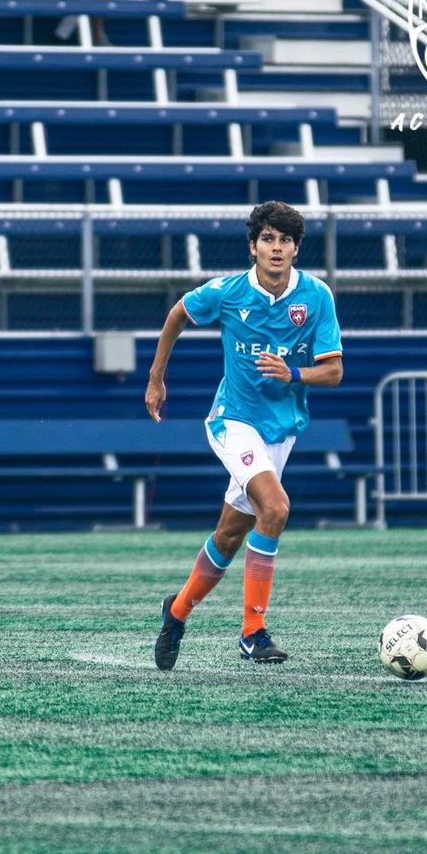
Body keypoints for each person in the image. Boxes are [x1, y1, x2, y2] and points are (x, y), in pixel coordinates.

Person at [146, 200, 344, 670]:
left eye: (285, 240)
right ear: (252, 246)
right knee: (274, 508)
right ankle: (252, 633)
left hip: (281, 430)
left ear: (296, 249)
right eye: (268, 239)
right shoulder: (228, 291)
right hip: (232, 421)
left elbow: (333, 372)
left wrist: (292, 373)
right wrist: (156, 378)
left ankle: (176, 612)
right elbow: (177, 314)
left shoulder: (316, 297)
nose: (276, 248)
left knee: (231, 534)